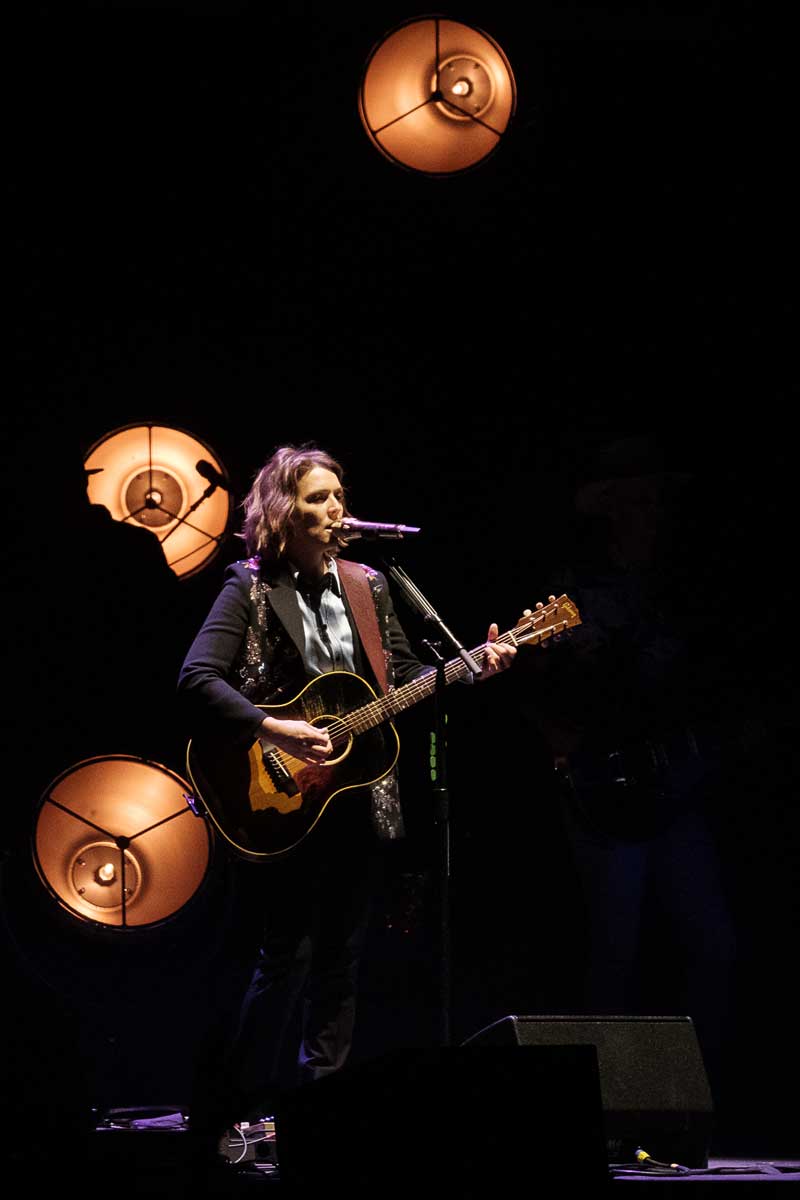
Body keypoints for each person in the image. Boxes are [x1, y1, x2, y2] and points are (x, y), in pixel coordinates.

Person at [176, 442, 516, 1155]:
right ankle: (243, 1107)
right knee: (286, 956)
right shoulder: (248, 586)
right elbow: (198, 679)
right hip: (279, 796)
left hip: (359, 798)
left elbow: (407, 674)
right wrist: (276, 726)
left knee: (341, 960)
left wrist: (473, 664)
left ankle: (315, 1108)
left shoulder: (371, 582)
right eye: (317, 499)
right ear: (283, 513)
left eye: (338, 495)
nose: (335, 509)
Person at [515, 434, 738, 1119]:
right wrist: (564, 748)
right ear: (611, 508)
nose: (650, 511)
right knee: (616, 953)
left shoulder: (686, 584)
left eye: (656, 498)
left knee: (716, 947)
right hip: (606, 792)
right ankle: (607, 1113)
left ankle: (698, 1108)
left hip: (678, 789)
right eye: (635, 498)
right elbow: (533, 677)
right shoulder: (579, 588)